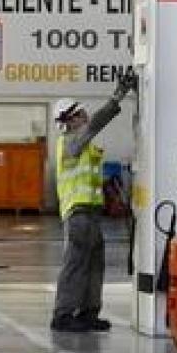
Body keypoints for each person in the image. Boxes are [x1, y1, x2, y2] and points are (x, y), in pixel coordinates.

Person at [51, 69, 137, 333]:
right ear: (70, 119)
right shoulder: (69, 143)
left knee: (94, 263)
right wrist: (117, 98)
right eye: (80, 113)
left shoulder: (82, 144)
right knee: (75, 263)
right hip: (77, 214)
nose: (85, 115)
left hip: (91, 213)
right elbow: (94, 125)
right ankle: (63, 315)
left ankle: (89, 312)